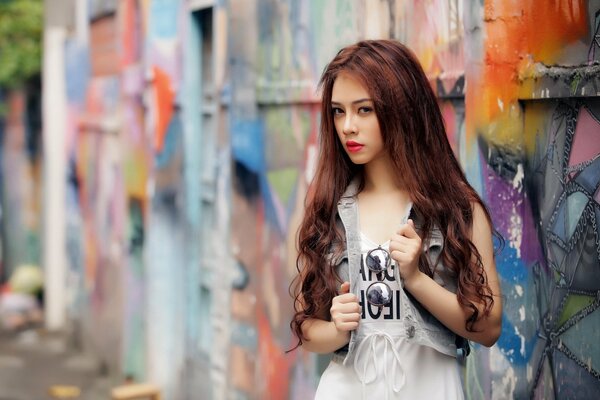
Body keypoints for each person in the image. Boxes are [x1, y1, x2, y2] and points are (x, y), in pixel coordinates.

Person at [289, 40, 502, 399]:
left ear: (401, 108)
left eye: (364, 110)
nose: (348, 127)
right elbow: (306, 329)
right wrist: (338, 330)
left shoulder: (457, 211)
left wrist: (416, 280)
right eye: (339, 112)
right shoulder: (328, 210)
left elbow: (488, 327)